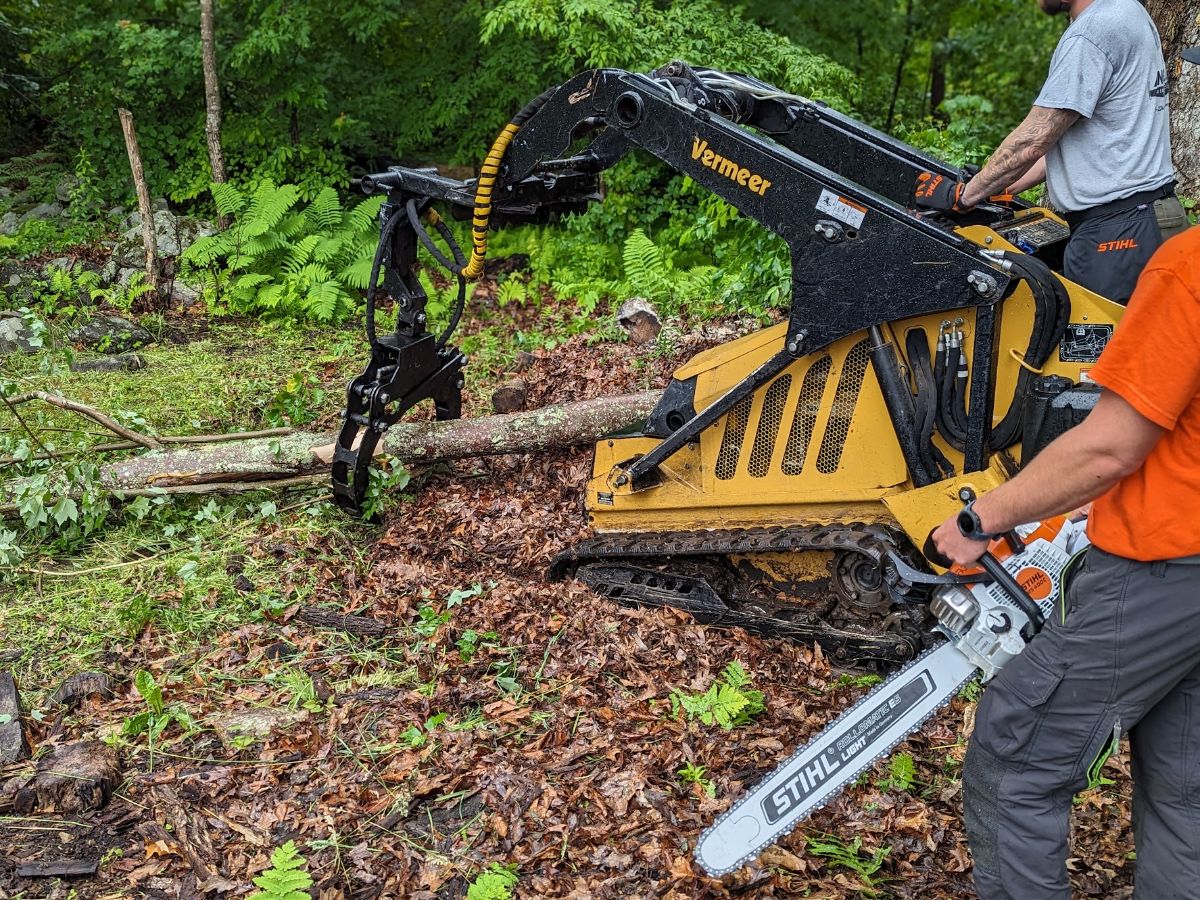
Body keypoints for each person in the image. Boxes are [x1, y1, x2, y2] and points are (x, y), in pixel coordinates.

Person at [930, 216, 1200, 897]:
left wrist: (980, 519)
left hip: (1164, 568)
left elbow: (1110, 446)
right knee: (1185, 787)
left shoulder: (1188, 268)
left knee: (1015, 760)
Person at [914, 0, 1188, 303]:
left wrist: (962, 197)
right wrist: (997, 186)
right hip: (1152, 218)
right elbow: (1079, 138)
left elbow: (1035, 138)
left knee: (1100, 350)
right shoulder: (1129, 11)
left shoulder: (1092, 32)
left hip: (1117, 236)